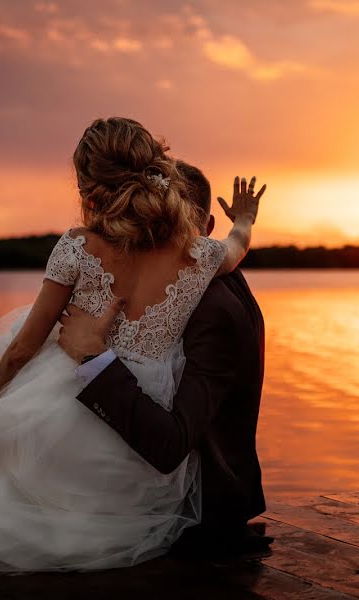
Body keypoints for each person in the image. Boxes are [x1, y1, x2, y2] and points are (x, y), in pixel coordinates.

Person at [0, 117, 265, 575]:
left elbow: (20, 350)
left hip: (73, 403)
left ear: (87, 184)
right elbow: (237, 244)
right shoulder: (199, 254)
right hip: (144, 421)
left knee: (18, 502)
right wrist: (244, 219)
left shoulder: (77, 247)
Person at [57, 160, 271, 558]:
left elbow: (169, 445)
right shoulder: (200, 282)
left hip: (195, 517)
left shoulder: (211, 308)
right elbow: (238, 238)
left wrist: (93, 357)